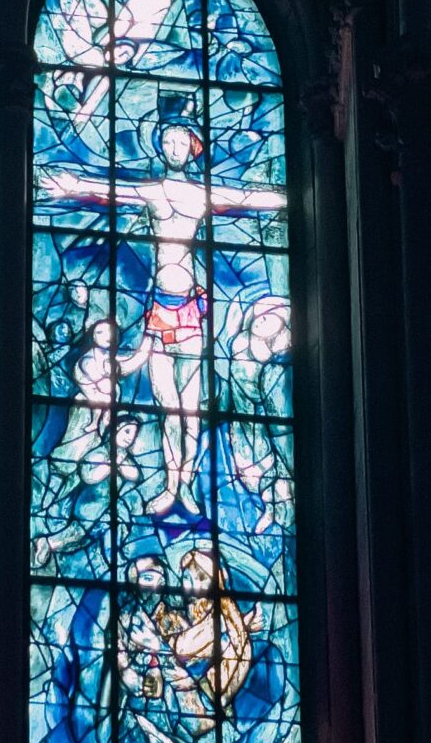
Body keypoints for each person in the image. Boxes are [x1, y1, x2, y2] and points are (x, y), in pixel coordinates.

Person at [42, 116, 285, 516]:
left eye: (179, 141)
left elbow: (243, 200)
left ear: (192, 147)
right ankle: (171, 485)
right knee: (167, 408)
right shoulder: (154, 192)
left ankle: (183, 484)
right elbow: (111, 192)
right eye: (166, 141)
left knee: (190, 413)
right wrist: (73, 186)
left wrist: (284, 198)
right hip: (160, 311)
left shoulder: (201, 195)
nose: (172, 148)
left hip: (190, 311)